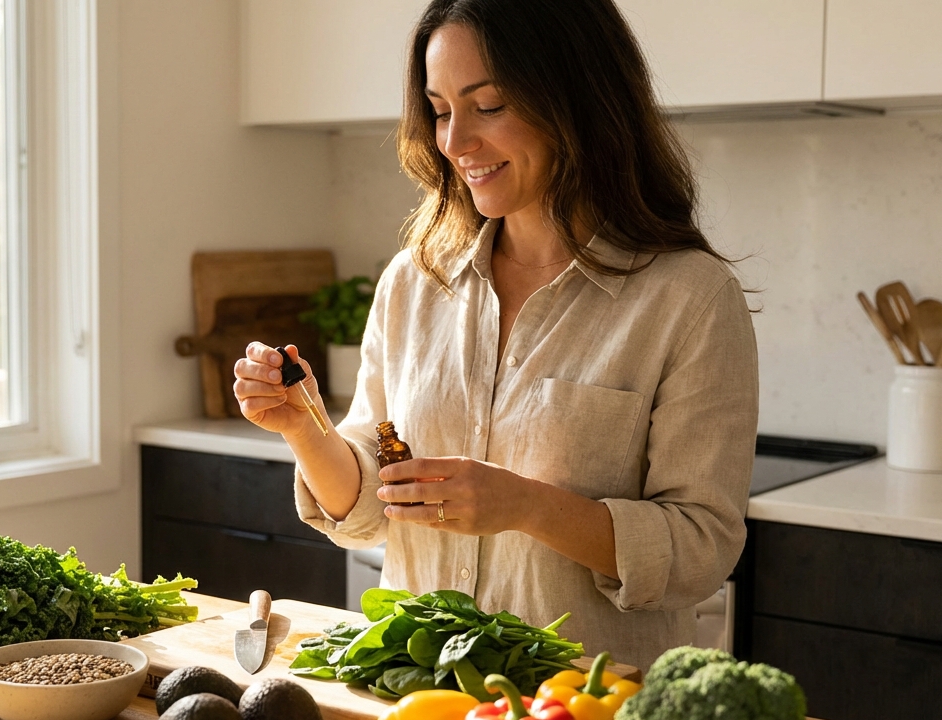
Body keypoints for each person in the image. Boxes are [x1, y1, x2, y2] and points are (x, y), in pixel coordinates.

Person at [231, 0, 757, 672]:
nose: (454, 142)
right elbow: (369, 503)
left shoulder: (688, 298)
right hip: (420, 698)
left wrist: (527, 505)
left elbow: (700, 547)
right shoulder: (414, 280)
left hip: (585, 710)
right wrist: (304, 429)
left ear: (578, 100)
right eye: (442, 110)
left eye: (490, 105)